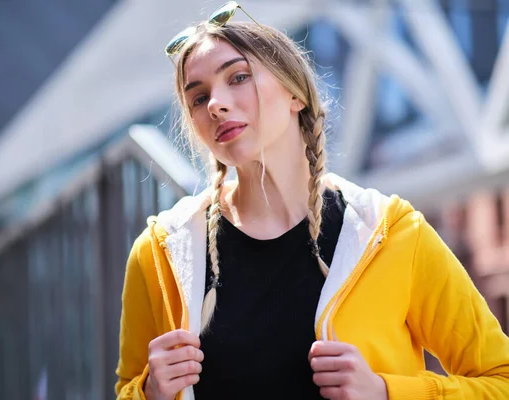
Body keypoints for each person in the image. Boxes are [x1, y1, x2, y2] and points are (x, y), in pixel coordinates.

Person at [115, 2, 509, 399]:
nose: (215, 103)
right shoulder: (161, 253)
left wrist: (386, 392)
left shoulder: (392, 233)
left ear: (295, 95)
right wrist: (149, 393)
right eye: (198, 98)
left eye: (238, 77)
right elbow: (124, 389)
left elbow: (500, 379)